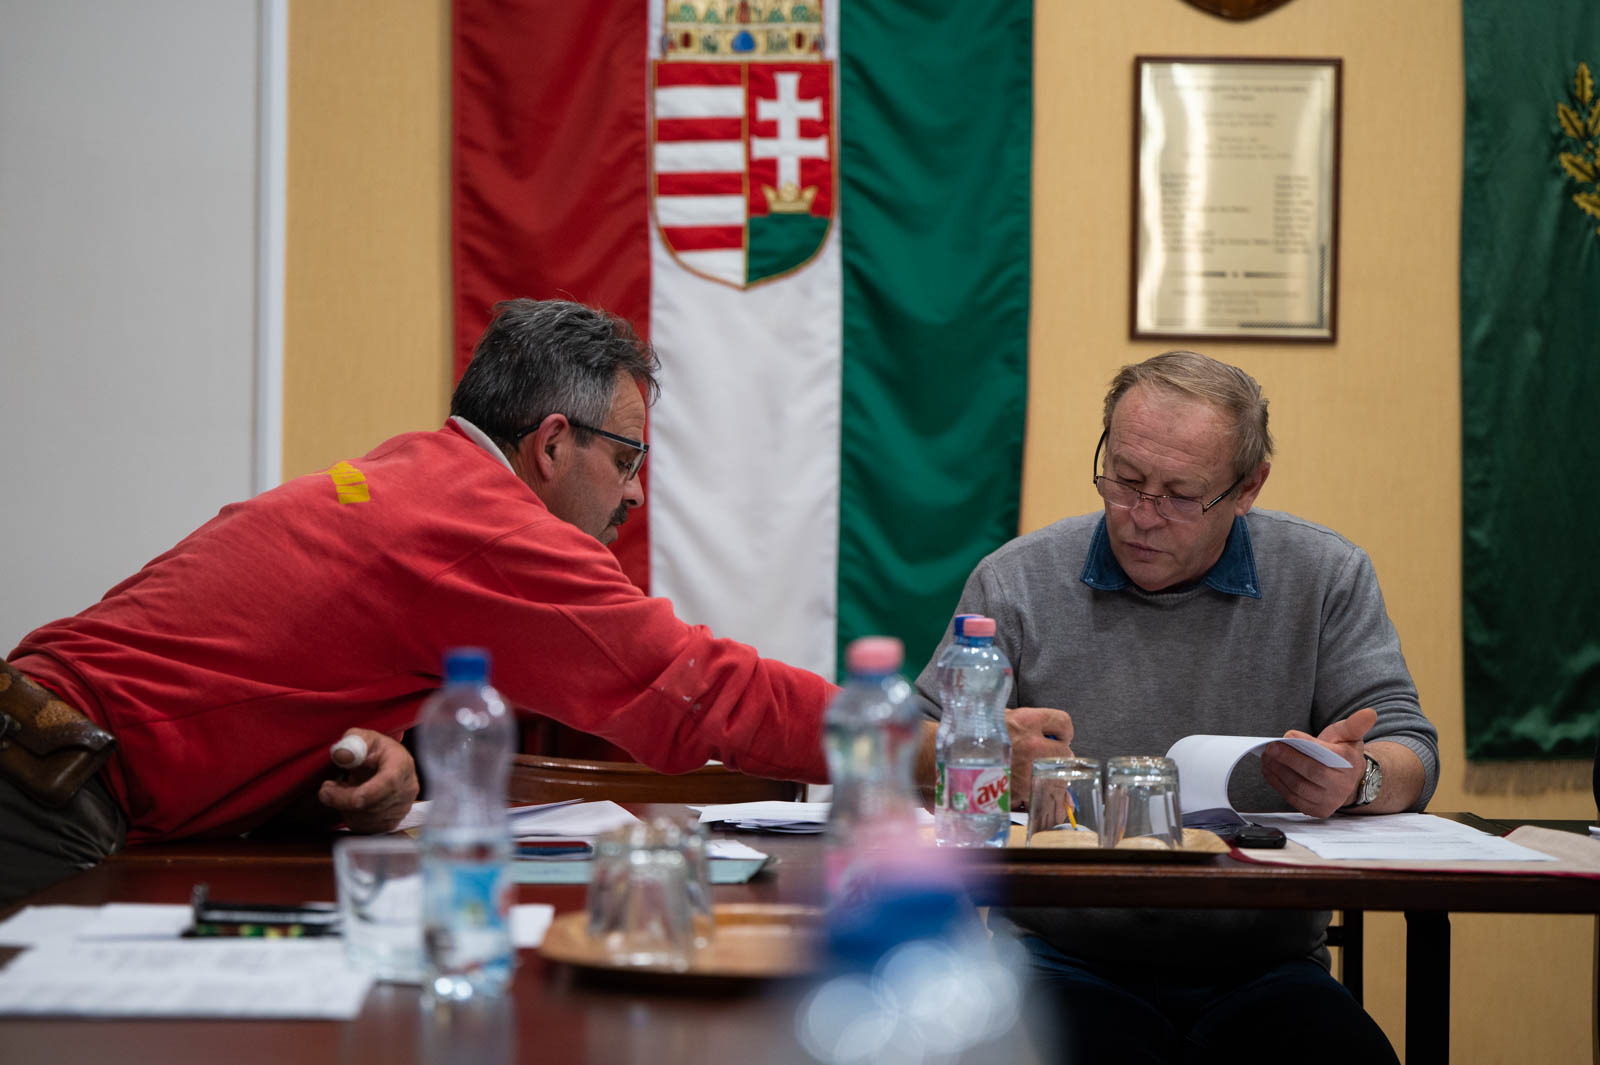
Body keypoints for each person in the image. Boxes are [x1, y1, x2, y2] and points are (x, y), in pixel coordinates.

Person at [1, 298, 1072, 905]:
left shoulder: (415, 478)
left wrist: (370, 756)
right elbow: (695, 688)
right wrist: (947, 747)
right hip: (46, 798)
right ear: (552, 442)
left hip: (56, 762)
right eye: (627, 458)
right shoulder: (480, 523)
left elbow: (273, 664)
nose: (636, 493)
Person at [915, 350, 1438, 1065]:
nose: (1142, 516)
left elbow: (1410, 747)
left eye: (1181, 495)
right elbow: (916, 745)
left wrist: (1360, 779)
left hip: (1266, 964)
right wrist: (979, 753)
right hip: (1059, 956)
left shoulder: (1324, 576)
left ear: (1248, 487)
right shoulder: (1018, 580)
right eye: (1125, 479)